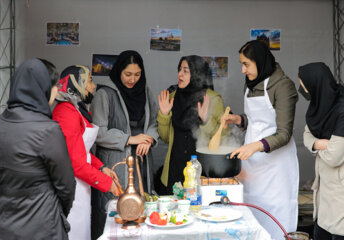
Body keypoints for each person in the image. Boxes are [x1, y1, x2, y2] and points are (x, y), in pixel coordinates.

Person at [0, 58, 76, 239]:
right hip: (42, 226)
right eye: (54, 86)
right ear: (42, 89)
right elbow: (67, 187)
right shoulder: (48, 130)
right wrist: (56, 213)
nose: (57, 90)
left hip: (3, 224)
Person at [224, 40, 299, 239]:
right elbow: (257, 120)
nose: (242, 70)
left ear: (260, 61)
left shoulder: (283, 86)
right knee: (251, 214)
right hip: (253, 164)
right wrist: (238, 119)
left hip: (277, 169)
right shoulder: (251, 84)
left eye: (246, 64)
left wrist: (257, 146)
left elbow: (284, 133)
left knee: (275, 219)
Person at [90, 50, 159, 239]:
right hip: (116, 164)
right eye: (128, 74)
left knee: (140, 210)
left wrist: (150, 138)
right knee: (114, 213)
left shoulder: (145, 91)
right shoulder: (104, 94)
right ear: (118, 71)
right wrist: (129, 139)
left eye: (137, 75)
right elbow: (98, 132)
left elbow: (154, 123)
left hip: (141, 162)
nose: (132, 80)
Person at [52, 65, 121, 240]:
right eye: (89, 80)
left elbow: (81, 150)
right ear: (76, 84)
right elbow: (75, 162)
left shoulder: (75, 109)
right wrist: (107, 184)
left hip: (82, 185)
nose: (93, 85)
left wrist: (102, 167)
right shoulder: (65, 113)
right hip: (71, 187)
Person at [157, 55, 230, 194]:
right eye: (179, 70)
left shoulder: (213, 99)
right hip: (174, 170)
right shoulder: (172, 97)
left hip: (201, 172)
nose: (180, 74)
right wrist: (164, 115)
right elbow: (166, 138)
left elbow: (223, 138)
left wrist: (206, 121)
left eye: (185, 71)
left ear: (197, 73)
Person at [298, 62, 344, 239]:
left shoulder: (341, 109)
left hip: (339, 194)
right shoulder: (319, 106)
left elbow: (334, 157)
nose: (303, 90)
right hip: (324, 193)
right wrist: (321, 144)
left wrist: (321, 145)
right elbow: (307, 136)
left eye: (304, 85)